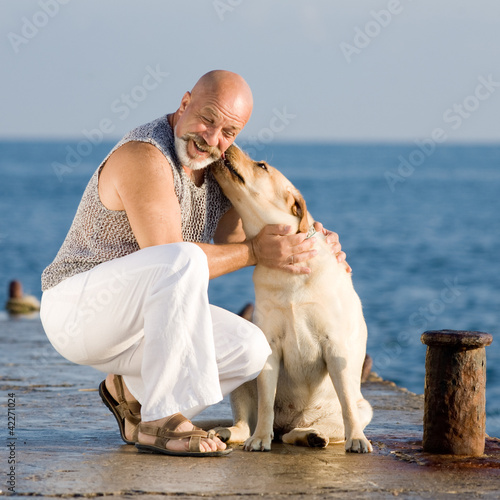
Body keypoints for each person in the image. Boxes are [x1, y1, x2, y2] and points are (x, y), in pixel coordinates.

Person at [40, 70, 348, 457]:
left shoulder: (214, 171)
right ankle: (160, 418)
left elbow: (252, 237)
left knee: (251, 349)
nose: (212, 138)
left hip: (138, 325)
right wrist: (256, 253)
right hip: (78, 312)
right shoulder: (146, 155)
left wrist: (314, 242)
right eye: (207, 118)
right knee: (182, 255)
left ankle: (129, 395)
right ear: (184, 103)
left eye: (229, 132)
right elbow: (170, 253)